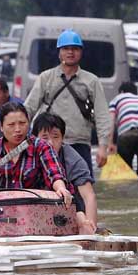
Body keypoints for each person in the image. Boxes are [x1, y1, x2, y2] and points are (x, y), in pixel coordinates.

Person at [24, 29, 112, 174]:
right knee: (49, 190)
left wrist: (103, 147)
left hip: (80, 144)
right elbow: (29, 108)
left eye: (75, 49)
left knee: (83, 189)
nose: (70, 52)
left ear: (81, 52)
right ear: (59, 52)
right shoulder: (46, 78)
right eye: (66, 49)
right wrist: (20, 136)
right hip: (49, 145)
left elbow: (102, 115)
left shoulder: (91, 81)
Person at [0, 102, 73, 207]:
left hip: (34, 211)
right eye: (11, 125)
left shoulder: (41, 147)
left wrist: (61, 188)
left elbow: (54, 173)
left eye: (22, 123)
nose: (18, 129)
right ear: (1, 126)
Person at [33, 112, 97, 234]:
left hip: (71, 208)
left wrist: (91, 227)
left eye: (56, 137)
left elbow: (88, 195)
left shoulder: (73, 160)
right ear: (35, 139)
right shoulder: (28, 156)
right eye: (45, 138)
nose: (50, 143)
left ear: (63, 138)